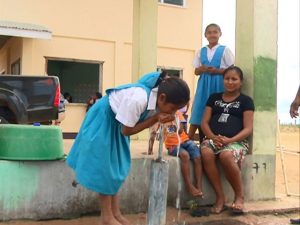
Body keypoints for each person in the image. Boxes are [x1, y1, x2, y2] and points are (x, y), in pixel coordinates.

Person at [66, 71, 190, 225]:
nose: (173, 113)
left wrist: (157, 117)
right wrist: (155, 119)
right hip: (104, 121)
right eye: (173, 109)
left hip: (116, 125)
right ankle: (107, 217)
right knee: (106, 168)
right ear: (162, 98)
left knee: (117, 167)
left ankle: (115, 213)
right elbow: (127, 130)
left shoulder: (156, 99)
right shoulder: (139, 99)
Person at [200, 66, 254, 214]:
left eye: (234, 79)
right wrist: (212, 137)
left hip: (235, 142)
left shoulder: (246, 101)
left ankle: (239, 197)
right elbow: (204, 122)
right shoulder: (214, 98)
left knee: (226, 155)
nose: (230, 82)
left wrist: (230, 140)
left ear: (241, 82)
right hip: (213, 139)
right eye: (227, 78)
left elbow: (248, 128)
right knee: (205, 152)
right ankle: (220, 197)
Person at [188, 23, 235, 142]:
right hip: (203, 84)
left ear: (220, 34)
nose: (212, 34)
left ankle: (213, 138)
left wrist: (217, 71)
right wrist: (201, 69)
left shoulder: (225, 50)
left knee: (216, 108)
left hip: (218, 83)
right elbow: (196, 71)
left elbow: (231, 70)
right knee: (199, 107)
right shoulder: (201, 51)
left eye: (215, 32)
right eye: (209, 32)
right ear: (205, 35)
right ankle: (189, 138)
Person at [164, 110, 203, 197]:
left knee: (197, 156)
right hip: (172, 145)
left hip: (185, 141)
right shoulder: (162, 115)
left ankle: (199, 187)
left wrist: (175, 119)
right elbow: (169, 130)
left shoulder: (177, 113)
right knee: (185, 155)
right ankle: (189, 186)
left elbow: (181, 130)